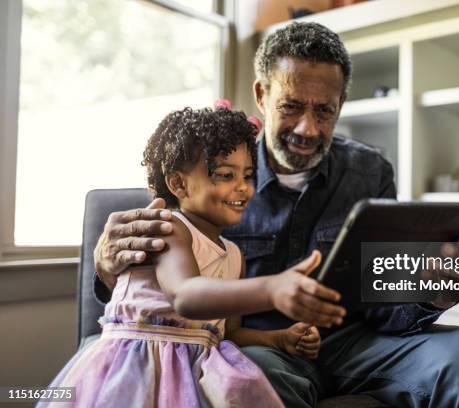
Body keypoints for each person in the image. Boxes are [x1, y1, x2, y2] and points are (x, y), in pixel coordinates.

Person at [94, 22, 459, 407]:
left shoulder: (370, 172)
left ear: (341, 104)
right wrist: (106, 268)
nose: (308, 129)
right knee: (250, 379)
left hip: (357, 341)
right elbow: (163, 282)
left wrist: (435, 289)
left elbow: (385, 302)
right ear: (262, 95)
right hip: (258, 344)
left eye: (324, 111)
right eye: (292, 106)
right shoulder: (208, 176)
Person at [41, 103, 346, 407]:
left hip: (192, 367)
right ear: (178, 183)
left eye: (248, 175)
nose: (242, 187)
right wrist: (271, 288)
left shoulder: (234, 256)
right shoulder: (169, 227)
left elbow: (229, 333)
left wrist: (279, 339)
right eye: (226, 175)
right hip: (140, 366)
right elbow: (185, 295)